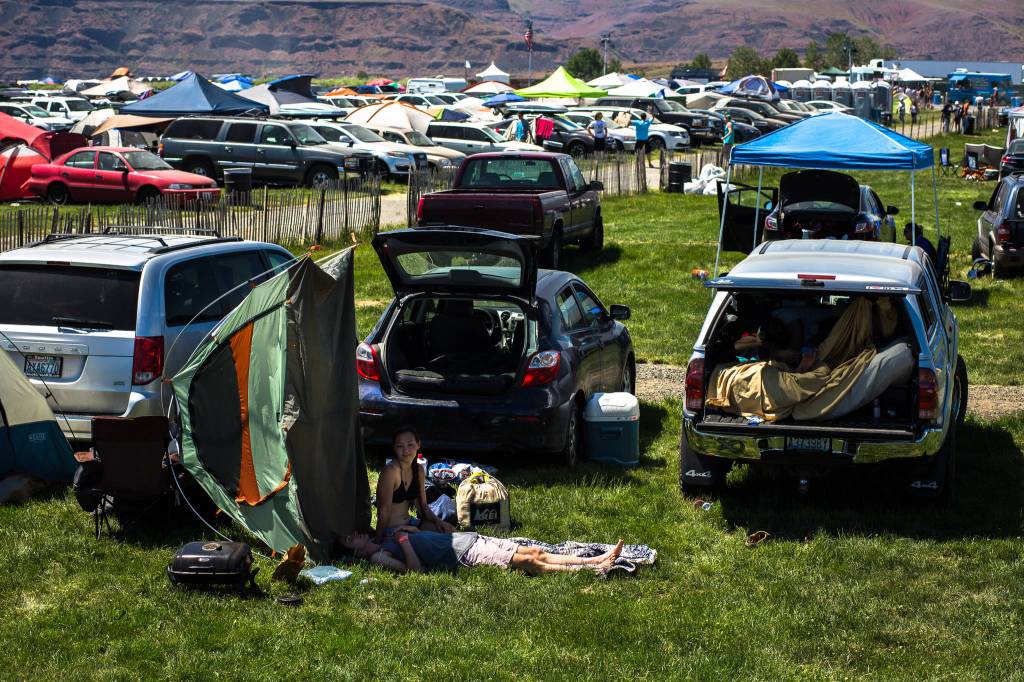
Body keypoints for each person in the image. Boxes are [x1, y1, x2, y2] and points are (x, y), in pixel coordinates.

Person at [343, 530, 624, 575]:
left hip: (468, 539)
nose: (355, 535)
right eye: (349, 540)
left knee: (535, 550)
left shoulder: (385, 539)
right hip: (462, 556)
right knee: (527, 561)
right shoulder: (377, 557)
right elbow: (414, 571)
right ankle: (589, 569)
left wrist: (406, 532)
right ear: (356, 554)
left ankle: (595, 558)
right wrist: (404, 541)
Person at [374, 426, 455, 542]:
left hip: (410, 523)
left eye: (410, 445)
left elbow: (423, 506)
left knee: (448, 534)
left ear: (418, 445)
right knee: (433, 542)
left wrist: (440, 523)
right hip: (393, 530)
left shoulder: (418, 470)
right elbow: (384, 510)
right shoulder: (390, 471)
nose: (406, 451)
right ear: (394, 448)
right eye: (400, 446)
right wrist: (378, 541)